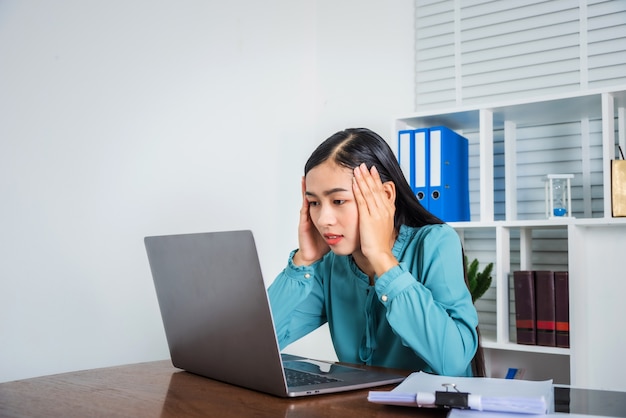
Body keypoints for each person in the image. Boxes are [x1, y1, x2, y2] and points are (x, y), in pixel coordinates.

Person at [268, 127, 481, 377]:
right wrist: (303, 261)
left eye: (338, 201)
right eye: (314, 203)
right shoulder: (330, 264)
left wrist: (382, 259)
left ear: (386, 195)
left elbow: (452, 361)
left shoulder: (435, 242)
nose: (324, 219)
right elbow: (260, 342)